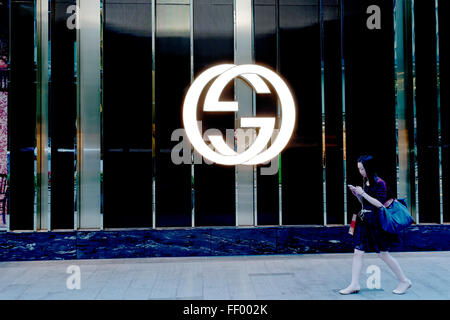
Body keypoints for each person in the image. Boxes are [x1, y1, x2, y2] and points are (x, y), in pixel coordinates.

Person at [339, 155, 412, 295]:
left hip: (376, 223)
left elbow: (379, 204)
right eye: (359, 169)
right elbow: (365, 204)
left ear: (369, 168)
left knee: (383, 254)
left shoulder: (380, 183)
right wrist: (358, 194)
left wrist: (363, 194)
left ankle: (404, 280)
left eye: (362, 168)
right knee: (358, 252)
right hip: (365, 221)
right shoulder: (367, 182)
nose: (360, 171)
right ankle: (354, 283)